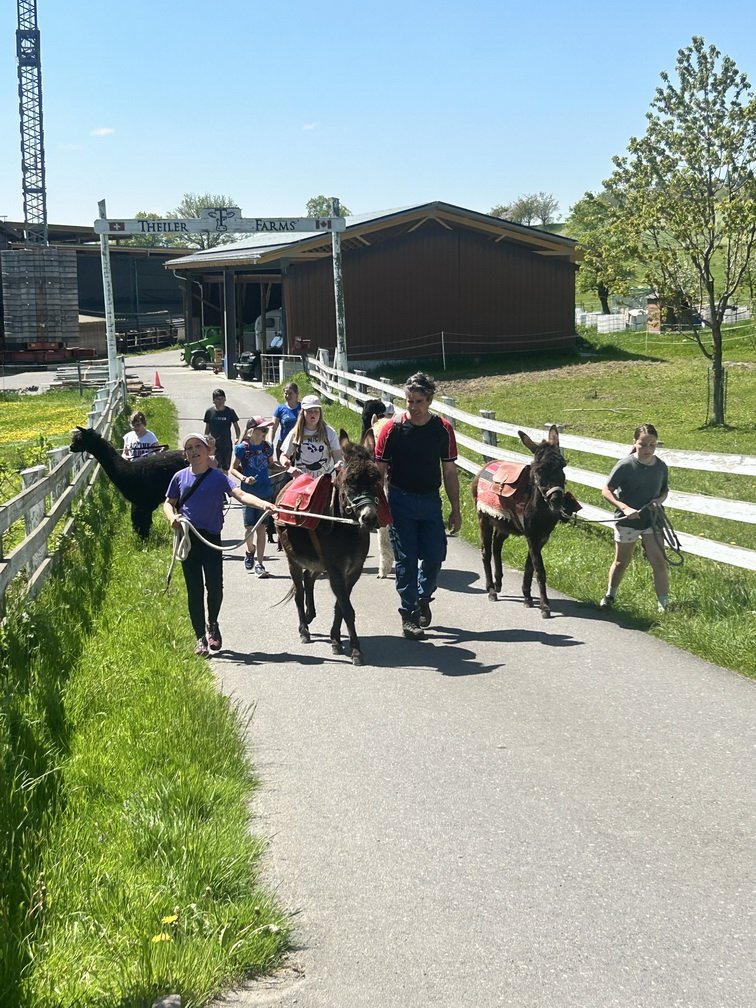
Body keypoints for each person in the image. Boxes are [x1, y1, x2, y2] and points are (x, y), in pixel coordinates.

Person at [164, 433, 276, 657]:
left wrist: (263, 504)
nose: (194, 451)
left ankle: (212, 623)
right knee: (194, 590)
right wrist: (172, 517)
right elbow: (169, 503)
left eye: (198, 446)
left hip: (212, 539)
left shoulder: (217, 477)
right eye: (189, 448)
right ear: (185, 454)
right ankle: (200, 638)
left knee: (215, 587)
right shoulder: (179, 477)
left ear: (208, 451)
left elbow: (240, 494)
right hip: (189, 539)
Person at [374, 372, 461, 639]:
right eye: (409, 401)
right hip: (400, 500)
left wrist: (456, 508)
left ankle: (424, 597)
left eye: (419, 401)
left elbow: (449, 472)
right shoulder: (392, 429)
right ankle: (408, 613)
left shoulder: (442, 429)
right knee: (407, 559)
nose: (413, 407)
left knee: (435, 556)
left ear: (430, 401)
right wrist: (378, 505)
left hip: (430, 500)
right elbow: (379, 470)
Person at [600, 423, 670, 613]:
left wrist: (658, 501)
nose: (648, 449)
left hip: (652, 520)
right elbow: (607, 491)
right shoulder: (625, 465)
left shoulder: (661, 467)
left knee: (659, 561)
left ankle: (663, 604)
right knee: (621, 562)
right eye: (643, 444)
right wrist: (624, 508)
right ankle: (610, 595)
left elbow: (664, 490)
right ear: (635, 443)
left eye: (652, 445)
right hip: (628, 521)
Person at [231, 416, 275, 577]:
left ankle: (260, 564)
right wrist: (244, 478)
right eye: (262, 429)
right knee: (249, 528)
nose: (265, 432)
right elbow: (232, 468)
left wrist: (287, 468)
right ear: (251, 431)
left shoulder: (267, 447)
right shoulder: (242, 448)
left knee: (262, 528)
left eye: (266, 430)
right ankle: (250, 550)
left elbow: (271, 465)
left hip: (265, 493)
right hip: (248, 495)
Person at [279, 394, 343, 477]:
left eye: (316, 411)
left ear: (320, 413)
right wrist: (288, 465)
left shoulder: (329, 432)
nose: (313, 414)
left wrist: (339, 462)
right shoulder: (296, 433)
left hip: (325, 478)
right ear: (303, 413)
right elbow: (283, 456)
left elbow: (337, 454)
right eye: (309, 411)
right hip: (302, 478)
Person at [203, 388, 240, 472]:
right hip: (213, 445)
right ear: (213, 401)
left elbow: (237, 427)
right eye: (218, 399)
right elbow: (207, 428)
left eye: (222, 398)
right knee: (214, 467)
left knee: (225, 468)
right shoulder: (209, 412)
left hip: (226, 444)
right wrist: (206, 439)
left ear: (225, 399)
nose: (220, 401)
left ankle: (224, 480)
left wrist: (237, 437)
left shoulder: (230, 411)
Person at [269, 382, 301, 461]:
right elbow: (272, 427)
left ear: (296, 394)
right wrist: (270, 443)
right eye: (286, 393)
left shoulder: (302, 408)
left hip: (298, 444)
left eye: (290, 393)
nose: (287, 396)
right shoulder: (280, 409)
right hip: (283, 444)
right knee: (283, 467)